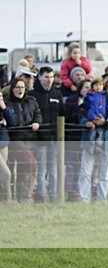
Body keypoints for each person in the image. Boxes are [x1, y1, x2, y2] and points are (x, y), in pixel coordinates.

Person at [77, 76, 108, 203]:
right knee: (86, 171)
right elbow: (81, 113)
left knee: (105, 173)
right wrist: (86, 122)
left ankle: (102, 197)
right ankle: (84, 197)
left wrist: (105, 122)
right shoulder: (88, 98)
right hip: (89, 138)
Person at [7, 77, 42, 203]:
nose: (20, 89)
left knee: (23, 169)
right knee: (31, 164)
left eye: (22, 87)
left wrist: (37, 122)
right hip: (15, 139)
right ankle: (27, 195)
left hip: (30, 139)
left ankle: (21, 197)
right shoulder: (8, 103)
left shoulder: (31, 101)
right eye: (17, 87)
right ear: (13, 89)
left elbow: (38, 114)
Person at [30, 67, 63, 202]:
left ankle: (54, 196)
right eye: (46, 77)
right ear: (39, 77)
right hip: (40, 139)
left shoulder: (57, 94)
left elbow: (62, 114)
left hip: (54, 138)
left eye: (51, 77)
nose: (49, 80)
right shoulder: (33, 95)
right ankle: (42, 196)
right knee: (42, 169)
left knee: (53, 169)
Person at [0, 92, 18, 202]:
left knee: (2, 174)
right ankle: (9, 200)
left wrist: (4, 108)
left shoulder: (4, 108)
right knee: (7, 173)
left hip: (3, 143)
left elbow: (13, 122)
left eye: (1, 97)